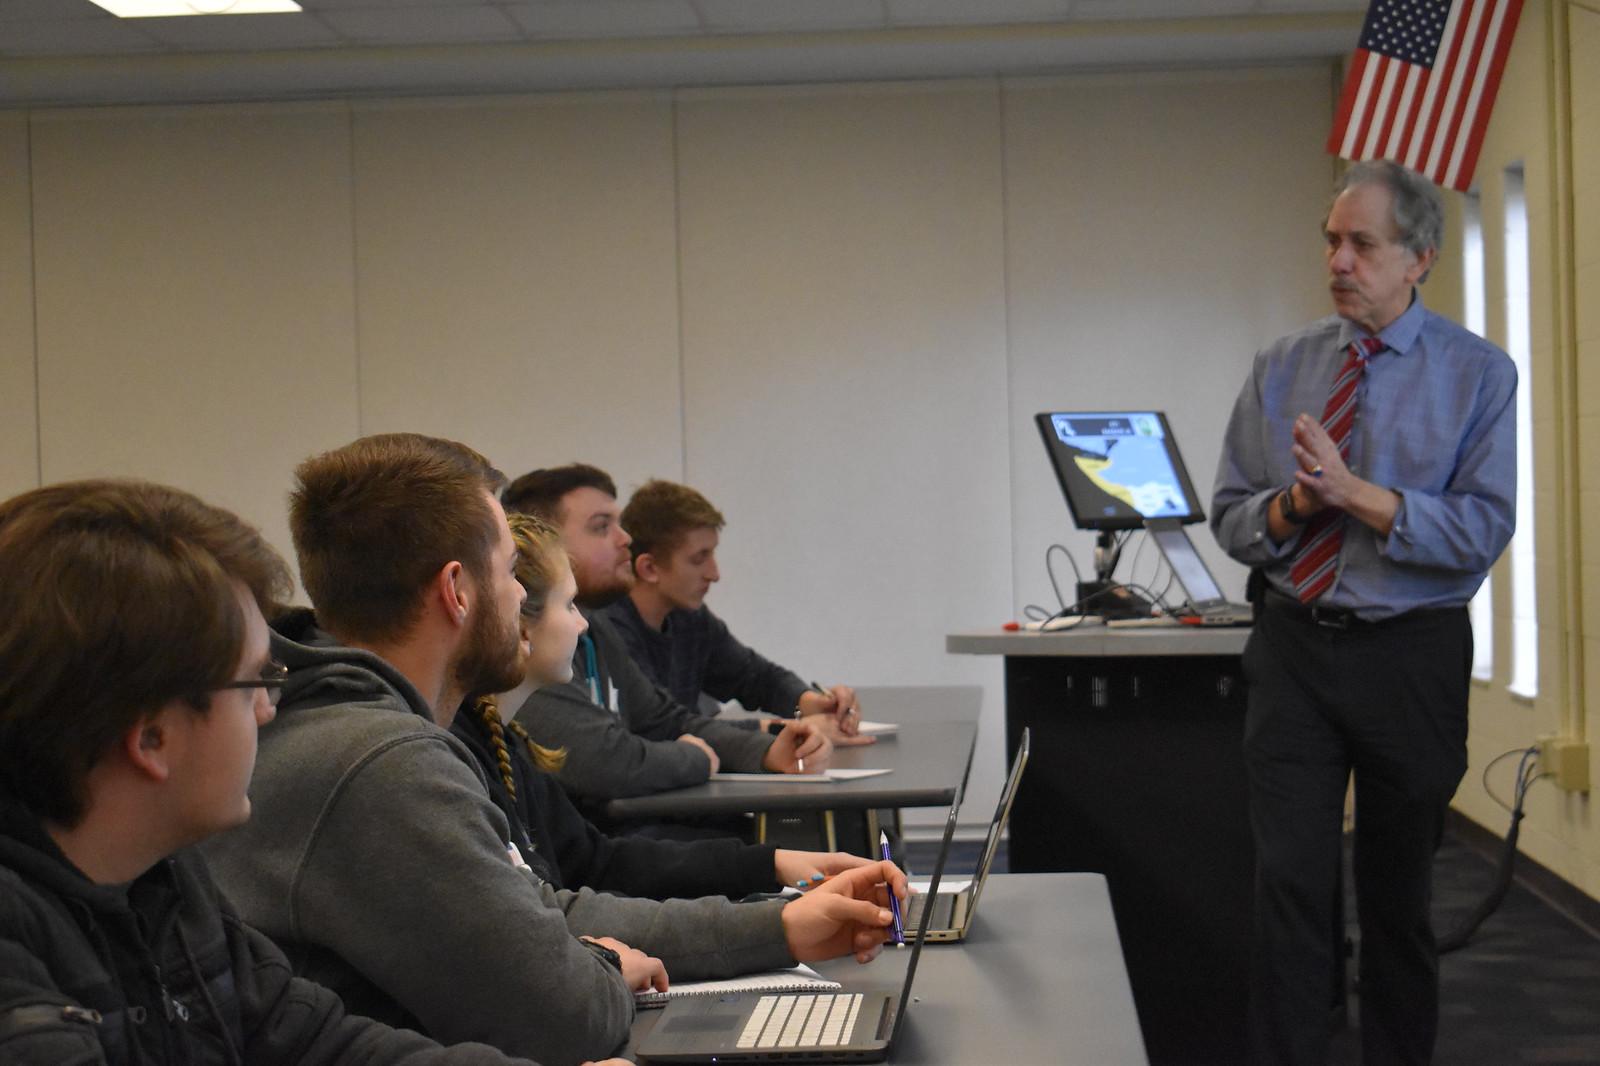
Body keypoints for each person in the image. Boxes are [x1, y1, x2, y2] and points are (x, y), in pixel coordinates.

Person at [201, 434, 906, 1066]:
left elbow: (538, 912)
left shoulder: (378, 733)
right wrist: (596, 964)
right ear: (457, 591)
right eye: (511, 571)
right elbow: (564, 1019)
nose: (522, 596)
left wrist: (782, 925)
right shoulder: (377, 763)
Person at [0, 478, 547, 1065]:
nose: (269, 709)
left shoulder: (165, 879)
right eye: (255, 682)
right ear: (151, 738)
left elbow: (320, 1044)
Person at [1211, 160, 1516, 1065]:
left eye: (1362, 244)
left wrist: (1358, 495)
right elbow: (1231, 513)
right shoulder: (1282, 365)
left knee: (1397, 899)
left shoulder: (1479, 375)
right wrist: (1298, 507)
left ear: (1419, 257)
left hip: (1410, 655)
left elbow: (1483, 529)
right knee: (1289, 889)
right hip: (1296, 647)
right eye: (1331, 242)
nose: (1339, 261)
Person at [451, 510, 873, 899]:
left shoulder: (508, 744)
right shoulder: (467, 755)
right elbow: (609, 765)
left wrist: (771, 863)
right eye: (569, 604)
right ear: (521, 622)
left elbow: (597, 860)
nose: (581, 622)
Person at [499, 464, 830, 810]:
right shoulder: (534, 645)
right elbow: (608, 761)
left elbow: (664, 721)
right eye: (601, 527)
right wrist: (697, 758)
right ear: (542, 544)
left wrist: (765, 750)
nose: (624, 538)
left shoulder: (596, 629)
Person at [599, 478, 867, 744]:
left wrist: (811, 703)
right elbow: (664, 727)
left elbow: (756, 677)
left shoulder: (690, 619)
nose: (714, 574)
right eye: (698, 559)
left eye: (712, 555)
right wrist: (787, 730)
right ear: (649, 568)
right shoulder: (610, 631)